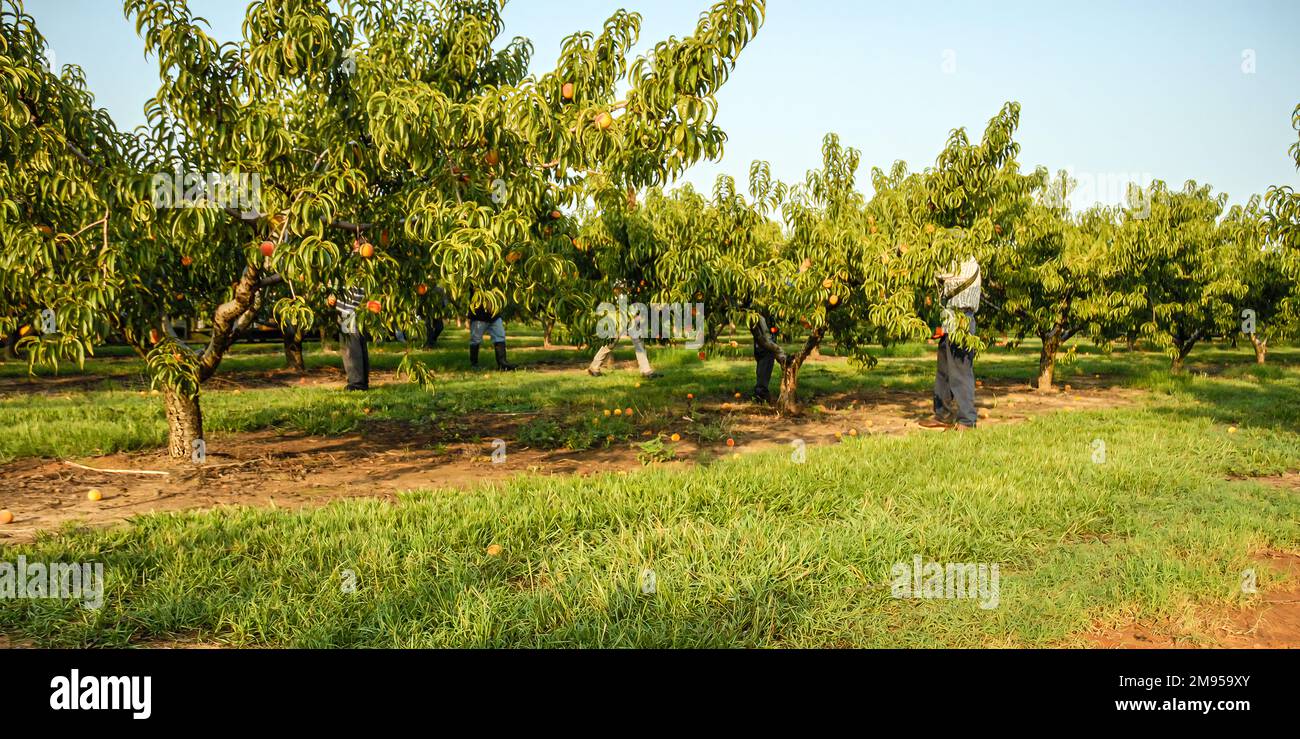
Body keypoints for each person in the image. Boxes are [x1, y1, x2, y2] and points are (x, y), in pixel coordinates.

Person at [920, 256, 981, 430]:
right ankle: (942, 415)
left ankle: (967, 420)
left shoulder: (966, 262)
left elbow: (940, 274)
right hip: (949, 318)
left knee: (960, 372)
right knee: (944, 372)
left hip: (962, 319)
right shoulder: (955, 261)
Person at [334, 283, 370, 391]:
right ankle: (362, 381)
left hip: (348, 308)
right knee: (359, 345)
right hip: (357, 307)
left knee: (350, 346)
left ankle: (356, 383)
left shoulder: (348, 271)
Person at [750, 311, 787, 403]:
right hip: (764, 349)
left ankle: (760, 393)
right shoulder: (760, 316)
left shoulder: (762, 315)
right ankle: (760, 395)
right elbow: (766, 336)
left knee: (762, 371)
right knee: (764, 370)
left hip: (761, 347)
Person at [468, 303, 515, 371]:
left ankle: (502, 363)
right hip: (478, 315)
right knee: (475, 340)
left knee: (500, 336)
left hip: (494, 315)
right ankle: (474, 364)